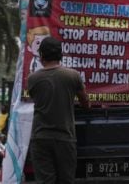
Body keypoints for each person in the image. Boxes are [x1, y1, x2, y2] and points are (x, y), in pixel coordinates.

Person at [28, 36, 90, 184]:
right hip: (65, 138)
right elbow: (86, 102)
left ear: (41, 56)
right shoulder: (72, 76)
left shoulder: (32, 79)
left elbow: (38, 99)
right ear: (60, 55)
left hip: (40, 138)